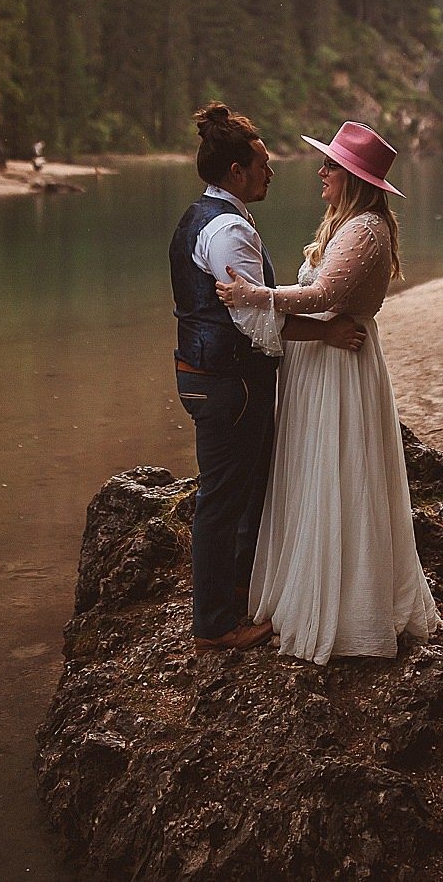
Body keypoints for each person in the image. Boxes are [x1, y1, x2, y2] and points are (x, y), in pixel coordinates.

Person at [216, 120, 439, 664]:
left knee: (337, 474)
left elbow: (321, 294)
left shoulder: (365, 230)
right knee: (316, 474)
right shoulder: (351, 225)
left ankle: (344, 609)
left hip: (338, 367)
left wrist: (255, 293)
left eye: (331, 166)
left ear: (353, 179)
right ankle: (312, 588)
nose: (321, 172)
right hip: (323, 360)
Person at [171, 104, 368, 653]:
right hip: (229, 381)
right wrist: (323, 335)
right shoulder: (229, 229)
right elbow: (258, 326)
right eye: (261, 163)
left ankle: (237, 597)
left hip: (208, 375)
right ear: (236, 171)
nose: (271, 171)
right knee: (223, 500)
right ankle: (214, 624)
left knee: (243, 489)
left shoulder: (202, 216)